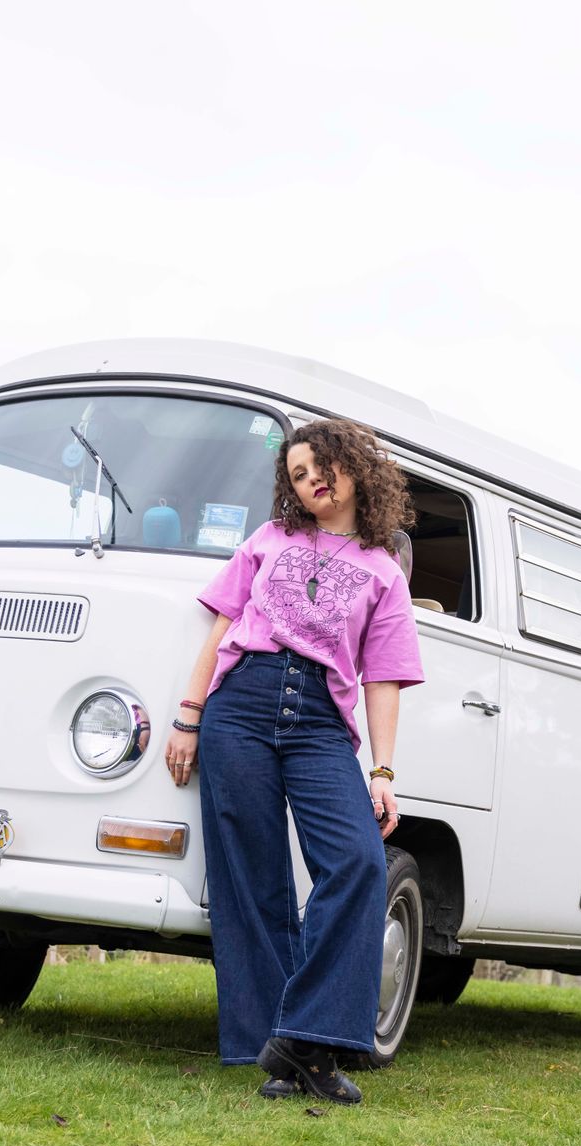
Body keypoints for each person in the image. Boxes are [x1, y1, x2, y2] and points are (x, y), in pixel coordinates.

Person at [164, 417, 424, 1104]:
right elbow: (222, 626)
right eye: (299, 472)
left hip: (319, 720)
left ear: (354, 470)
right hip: (241, 704)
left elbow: (384, 678)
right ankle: (277, 1053)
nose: (313, 480)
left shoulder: (382, 572)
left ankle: (309, 1033)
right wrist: (189, 717)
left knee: (360, 862)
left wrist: (384, 771)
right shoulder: (270, 540)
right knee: (251, 878)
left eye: (323, 466)